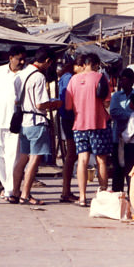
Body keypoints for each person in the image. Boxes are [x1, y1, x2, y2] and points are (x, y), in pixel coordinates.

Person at [10, 47, 61, 206]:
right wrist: (55, 103)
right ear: (47, 61)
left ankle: (15, 192)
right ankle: (25, 194)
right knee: (34, 159)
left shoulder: (22, 73)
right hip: (36, 121)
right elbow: (40, 104)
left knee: (22, 158)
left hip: (24, 121)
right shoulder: (38, 77)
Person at [65, 52, 111, 207]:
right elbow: (106, 102)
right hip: (99, 124)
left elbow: (68, 106)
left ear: (84, 64)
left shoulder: (73, 80)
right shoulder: (101, 78)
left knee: (82, 160)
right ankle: (103, 194)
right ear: (97, 64)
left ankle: (83, 197)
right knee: (101, 160)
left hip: (79, 125)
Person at [0, 46, 26, 201]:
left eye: (23, 59)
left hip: (16, 123)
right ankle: (7, 185)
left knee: (12, 157)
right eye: (18, 59)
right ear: (10, 58)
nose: (21, 62)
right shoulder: (0, 71)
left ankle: (10, 190)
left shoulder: (26, 73)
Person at [57, 55, 82, 203]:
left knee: (72, 155)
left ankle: (66, 190)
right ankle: (66, 191)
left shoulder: (66, 78)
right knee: (71, 155)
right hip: (69, 119)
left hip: (68, 118)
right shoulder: (68, 78)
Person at [109, 68, 134, 192]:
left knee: (131, 170)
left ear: (131, 81)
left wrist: (124, 114)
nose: (122, 83)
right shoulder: (116, 96)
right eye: (121, 80)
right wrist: (130, 115)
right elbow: (113, 112)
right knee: (117, 169)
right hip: (117, 137)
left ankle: (131, 194)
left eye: (125, 80)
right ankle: (117, 195)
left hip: (132, 139)